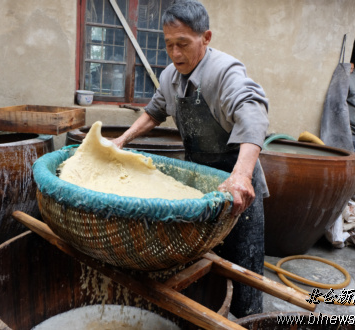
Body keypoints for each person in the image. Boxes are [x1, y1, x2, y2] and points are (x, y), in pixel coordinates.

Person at [112, 0, 269, 317]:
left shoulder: (224, 71)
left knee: (244, 261)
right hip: (199, 181)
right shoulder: (171, 75)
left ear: (206, 37)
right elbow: (154, 111)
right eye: (169, 45)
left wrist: (241, 176)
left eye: (183, 44)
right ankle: (209, 314)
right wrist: (121, 141)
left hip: (235, 180)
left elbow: (252, 115)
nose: (175, 53)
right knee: (205, 257)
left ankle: (250, 320)